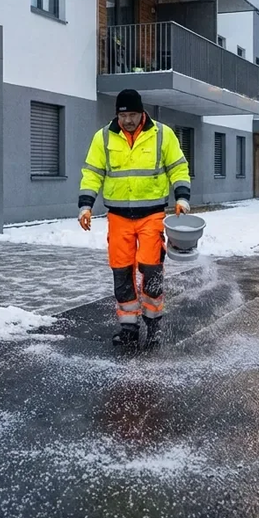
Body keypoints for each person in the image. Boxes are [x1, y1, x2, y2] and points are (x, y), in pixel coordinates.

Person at [78, 89, 191, 348]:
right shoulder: (104, 137)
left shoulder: (162, 134)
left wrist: (182, 198)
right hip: (118, 216)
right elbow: (92, 173)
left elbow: (178, 167)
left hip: (152, 214)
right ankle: (128, 325)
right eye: (123, 114)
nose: (128, 120)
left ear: (142, 113)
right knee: (121, 270)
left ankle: (153, 325)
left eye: (133, 114)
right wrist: (85, 206)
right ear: (116, 114)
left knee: (151, 269)